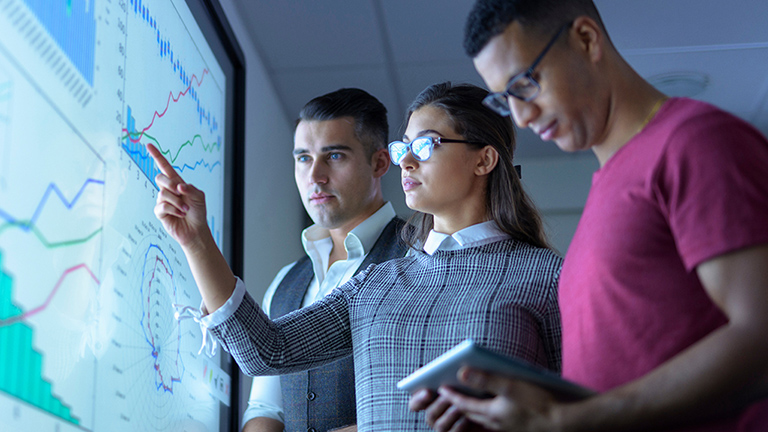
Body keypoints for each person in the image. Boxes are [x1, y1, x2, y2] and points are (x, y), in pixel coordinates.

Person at [410, 1, 768, 431]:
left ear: (585, 39)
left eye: (526, 83)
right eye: (507, 99)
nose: (522, 116)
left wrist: (571, 421)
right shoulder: (606, 189)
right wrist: (531, 410)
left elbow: (759, 338)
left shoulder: (695, 143)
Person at [146, 81, 563, 431]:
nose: (409, 161)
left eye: (426, 144)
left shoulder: (547, 276)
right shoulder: (378, 282)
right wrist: (196, 240)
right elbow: (266, 352)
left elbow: (590, 410)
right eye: (404, 148)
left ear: (484, 159)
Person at [241, 88, 409, 432]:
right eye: (303, 157)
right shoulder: (287, 280)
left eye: (334, 156)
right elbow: (266, 408)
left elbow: (421, 406)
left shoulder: (422, 256)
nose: (315, 176)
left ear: (379, 162)